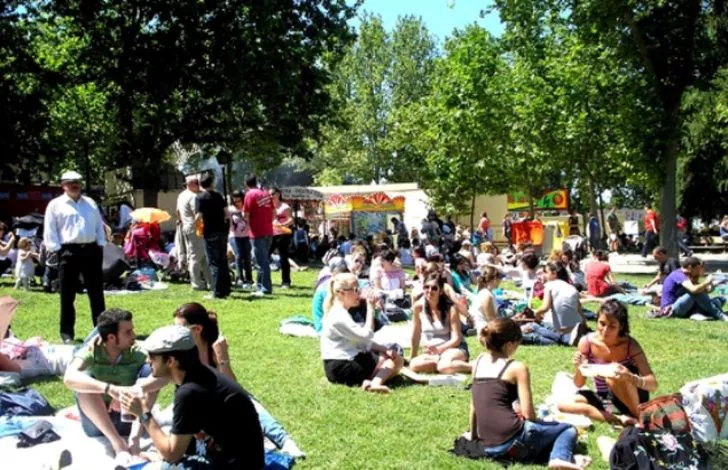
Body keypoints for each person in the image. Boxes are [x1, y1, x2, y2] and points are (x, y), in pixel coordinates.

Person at [121, 325, 264, 469]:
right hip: (243, 457)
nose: (147, 361)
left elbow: (172, 454)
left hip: (237, 464)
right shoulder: (199, 373)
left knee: (166, 465)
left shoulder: (189, 391)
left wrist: (144, 414)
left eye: (152, 356)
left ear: (171, 361)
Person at [172, 303, 304, 458]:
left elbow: (232, 385)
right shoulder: (180, 351)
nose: (175, 333)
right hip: (199, 402)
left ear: (197, 329)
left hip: (223, 397)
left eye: (180, 329)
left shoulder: (214, 345)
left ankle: (285, 441)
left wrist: (223, 359)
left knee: (251, 406)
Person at [470, 318, 590, 469]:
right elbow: (528, 415)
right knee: (568, 429)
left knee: (542, 435)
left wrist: (474, 438)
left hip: (486, 445)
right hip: (512, 439)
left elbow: (474, 406)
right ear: (509, 345)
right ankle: (559, 458)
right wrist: (542, 421)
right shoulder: (517, 368)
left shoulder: (478, 362)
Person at [63, 309, 156, 458]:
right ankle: (118, 444)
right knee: (82, 382)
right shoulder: (91, 351)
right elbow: (69, 378)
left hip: (132, 419)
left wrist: (129, 392)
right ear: (111, 337)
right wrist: (110, 390)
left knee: (150, 373)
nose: (134, 335)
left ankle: (134, 440)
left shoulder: (138, 352)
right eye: (128, 332)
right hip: (99, 423)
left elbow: (166, 374)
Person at [558, 300, 657, 425]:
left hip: (631, 395)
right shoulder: (587, 342)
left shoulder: (630, 345)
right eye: (602, 323)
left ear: (621, 326)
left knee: (613, 376)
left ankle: (638, 416)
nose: (605, 330)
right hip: (605, 397)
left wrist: (631, 377)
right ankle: (620, 418)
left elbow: (653, 384)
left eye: (612, 326)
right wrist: (580, 368)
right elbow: (578, 383)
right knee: (564, 405)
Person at [44, 170, 106, 343]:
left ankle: (101, 330)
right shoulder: (55, 205)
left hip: (92, 250)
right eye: (70, 182)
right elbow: (50, 229)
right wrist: (57, 249)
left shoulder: (91, 203)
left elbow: (98, 225)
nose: (75, 184)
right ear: (63, 185)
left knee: (96, 293)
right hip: (68, 251)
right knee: (67, 294)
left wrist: (101, 243)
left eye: (77, 181)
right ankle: (67, 333)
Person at [320, 273, 403, 393]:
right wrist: (370, 308)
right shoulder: (338, 315)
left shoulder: (339, 312)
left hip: (337, 366)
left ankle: (368, 380)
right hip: (343, 367)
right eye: (355, 290)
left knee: (388, 355)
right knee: (396, 360)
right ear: (341, 293)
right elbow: (366, 335)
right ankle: (375, 383)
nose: (359, 294)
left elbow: (361, 341)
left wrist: (384, 349)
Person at [410, 274, 471, 374]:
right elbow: (416, 334)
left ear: (441, 291)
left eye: (434, 288)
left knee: (443, 367)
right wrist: (413, 356)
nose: (429, 291)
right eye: (426, 287)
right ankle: (450, 365)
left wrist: (439, 349)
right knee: (414, 365)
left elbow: (457, 339)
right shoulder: (418, 307)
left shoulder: (451, 309)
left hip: (453, 348)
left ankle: (473, 366)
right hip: (433, 353)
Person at [521, 262, 589, 347]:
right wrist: (585, 325)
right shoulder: (572, 288)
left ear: (554, 273)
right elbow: (579, 310)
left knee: (535, 326)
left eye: (546, 272)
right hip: (576, 325)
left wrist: (536, 316)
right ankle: (567, 337)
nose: (544, 275)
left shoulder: (549, 285)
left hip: (559, 327)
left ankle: (531, 331)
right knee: (553, 340)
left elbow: (545, 307)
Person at [660, 256, 728, 321]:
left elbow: (705, 291)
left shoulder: (688, 275)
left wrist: (712, 284)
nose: (699, 271)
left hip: (685, 306)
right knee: (695, 293)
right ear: (690, 267)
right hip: (671, 309)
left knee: (720, 299)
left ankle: (697, 314)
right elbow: (694, 290)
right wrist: (707, 281)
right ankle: (720, 315)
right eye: (698, 269)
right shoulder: (678, 274)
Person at [195, 172, 230, 299]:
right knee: (223, 260)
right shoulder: (219, 196)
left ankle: (217, 291)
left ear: (201, 184)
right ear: (212, 183)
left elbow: (199, 216)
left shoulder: (200, 197)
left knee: (214, 262)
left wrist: (196, 225)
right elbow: (227, 214)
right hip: (222, 231)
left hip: (210, 232)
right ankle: (226, 288)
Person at [177, 174, 211, 291]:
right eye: (197, 183)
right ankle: (197, 284)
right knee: (196, 257)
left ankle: (210, 281)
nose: (199, 185)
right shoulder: (193, 197)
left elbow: (178, 213)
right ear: (190, 184)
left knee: (202, 257)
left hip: (186, 227)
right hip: (196, 228)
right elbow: (198, 214)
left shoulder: (181, 195)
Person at [243, 174, 274, 296]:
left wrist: (247, 226)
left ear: (246, 183)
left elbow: (246, 214)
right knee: (262, 259)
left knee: (261, 261)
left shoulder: (249, 195)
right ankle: (260, 285)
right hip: (268, 230)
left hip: (257, 232)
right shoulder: (266, 193)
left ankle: (265, 288)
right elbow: (273, 212)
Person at [228, 190, 253, 289]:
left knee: (247, 256)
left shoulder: (247, 208)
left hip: (246, 236)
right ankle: (239, 278)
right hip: (234, 236)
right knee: (239, 255)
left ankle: (249, 278)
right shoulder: (230, 209)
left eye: (239, 201)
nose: (237, 203)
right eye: (235, 201)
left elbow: (251, 220)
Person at [270, 187, 293, 289]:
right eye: (269, 194)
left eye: (273, 194)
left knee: (283, 257)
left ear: (278, 194)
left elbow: (291, 220)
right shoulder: (269, 207)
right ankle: (264, 279)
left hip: (283, 234)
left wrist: (282, 225)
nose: (271, 196)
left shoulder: (285, 207)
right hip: (271, 234)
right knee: (265, 255)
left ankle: (286, 281)